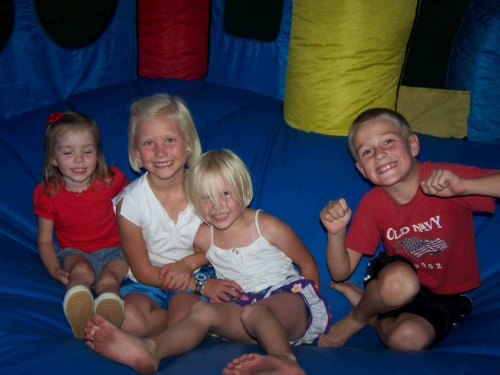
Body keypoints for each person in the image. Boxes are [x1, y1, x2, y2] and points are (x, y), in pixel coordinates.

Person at [85, 149, 332, 375]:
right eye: (205, 198)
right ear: (195, 203)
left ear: (244, 191)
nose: (217, 206)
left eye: (225, 193)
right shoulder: (204, 236)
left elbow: (307, 263)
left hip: (290, 305)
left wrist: (311, 302)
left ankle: (285, 360)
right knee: (203, 311)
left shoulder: (268, 226)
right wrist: (186, 264)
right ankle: (151, 349)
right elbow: (206, 257)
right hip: (244, 314)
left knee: (256, 312)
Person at [318, 108, 500, 350]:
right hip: (395, 282)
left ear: (413, 144)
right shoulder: (373, 203)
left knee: (407, 341)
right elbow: (340, 272)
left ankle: (372, 316)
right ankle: (357, 317)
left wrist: (465, 186)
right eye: (367, 151)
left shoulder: (444, 179)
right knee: (401, 283)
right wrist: (336, 233)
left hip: (446, 296)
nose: (380, 155)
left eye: (388, 141)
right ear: (362, 169)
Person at [114, 94, 241, 338]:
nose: (160, 152)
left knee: (183, 317)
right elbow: (141, 270)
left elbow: (229, 240)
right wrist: (198, 286)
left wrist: (190, 267)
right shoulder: (129, 203)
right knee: (128, 320)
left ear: (189, 143)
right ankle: (178, 326)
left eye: (170, 140)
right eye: (149, 143)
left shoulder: (206, 189)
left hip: (197, 273)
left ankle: (178, 326)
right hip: (148, 281)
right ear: (136, 151)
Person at [33, 111, 129, 338]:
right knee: (79, 271)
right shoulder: (48, 193)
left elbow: (137, 203)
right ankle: (79, 304)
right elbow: (45, 240)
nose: (79, 159)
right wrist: (54, 269)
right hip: (75, 251)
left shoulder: (111, 180)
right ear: (54, 159)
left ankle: (108, 306)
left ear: (97, 154)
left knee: (110, 277)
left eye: (87, 151)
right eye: (68, 152)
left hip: (117, 248)